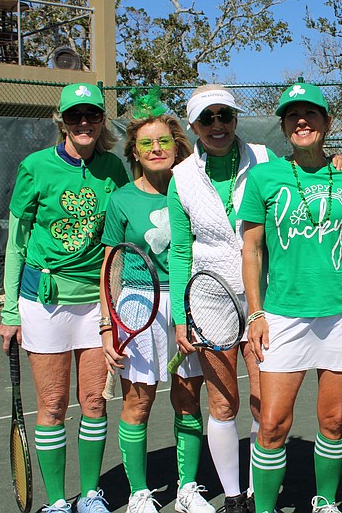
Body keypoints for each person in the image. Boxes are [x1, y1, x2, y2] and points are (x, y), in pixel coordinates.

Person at [0, 83, 130, 513]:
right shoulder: (35, 167)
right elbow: (17, 244)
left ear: (101, 120)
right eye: (75, 116)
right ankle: (57, 501)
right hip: (45, 301)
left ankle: (91, 494)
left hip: (96, 303)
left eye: (91, 114)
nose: (84, 123)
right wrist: (10, 308)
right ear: (63, 122)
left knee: (93, 401)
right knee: (53, 404)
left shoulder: (113, 167)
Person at [240, 82, 342, 513]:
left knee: (333, 421)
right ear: (284, 125)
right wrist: (255, 312)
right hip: (282, 316)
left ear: (327, 123)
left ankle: (324, 501)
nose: (302, 121)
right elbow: (252, 250)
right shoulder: (264, 177)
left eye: (311, 114)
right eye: (293, 115)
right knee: (272, 423)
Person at [98, 91, 215, 513]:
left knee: (187, 396)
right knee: (138, 400)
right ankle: (139, 495)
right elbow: (110, 263)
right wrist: (108, 323)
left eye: (163, 142)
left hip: (189, 302)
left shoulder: (195, 191)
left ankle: (187, 490)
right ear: (134, 151)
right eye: (146, 143)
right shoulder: (121, 199)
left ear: (177, 146)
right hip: (136, 304)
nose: (156, 149)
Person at [168, 85, 277, 513]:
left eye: (225, 116)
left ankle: (257, 488)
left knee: (265, 398)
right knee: (223, 400)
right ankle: (234, 496)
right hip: (208, 297)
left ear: (235, 119)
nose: (218, 125)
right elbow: (180, 251)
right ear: (193, 125)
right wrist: (181, 317)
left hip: (262, 295)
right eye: (207, 118)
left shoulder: (266, 159)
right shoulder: (181, 177)